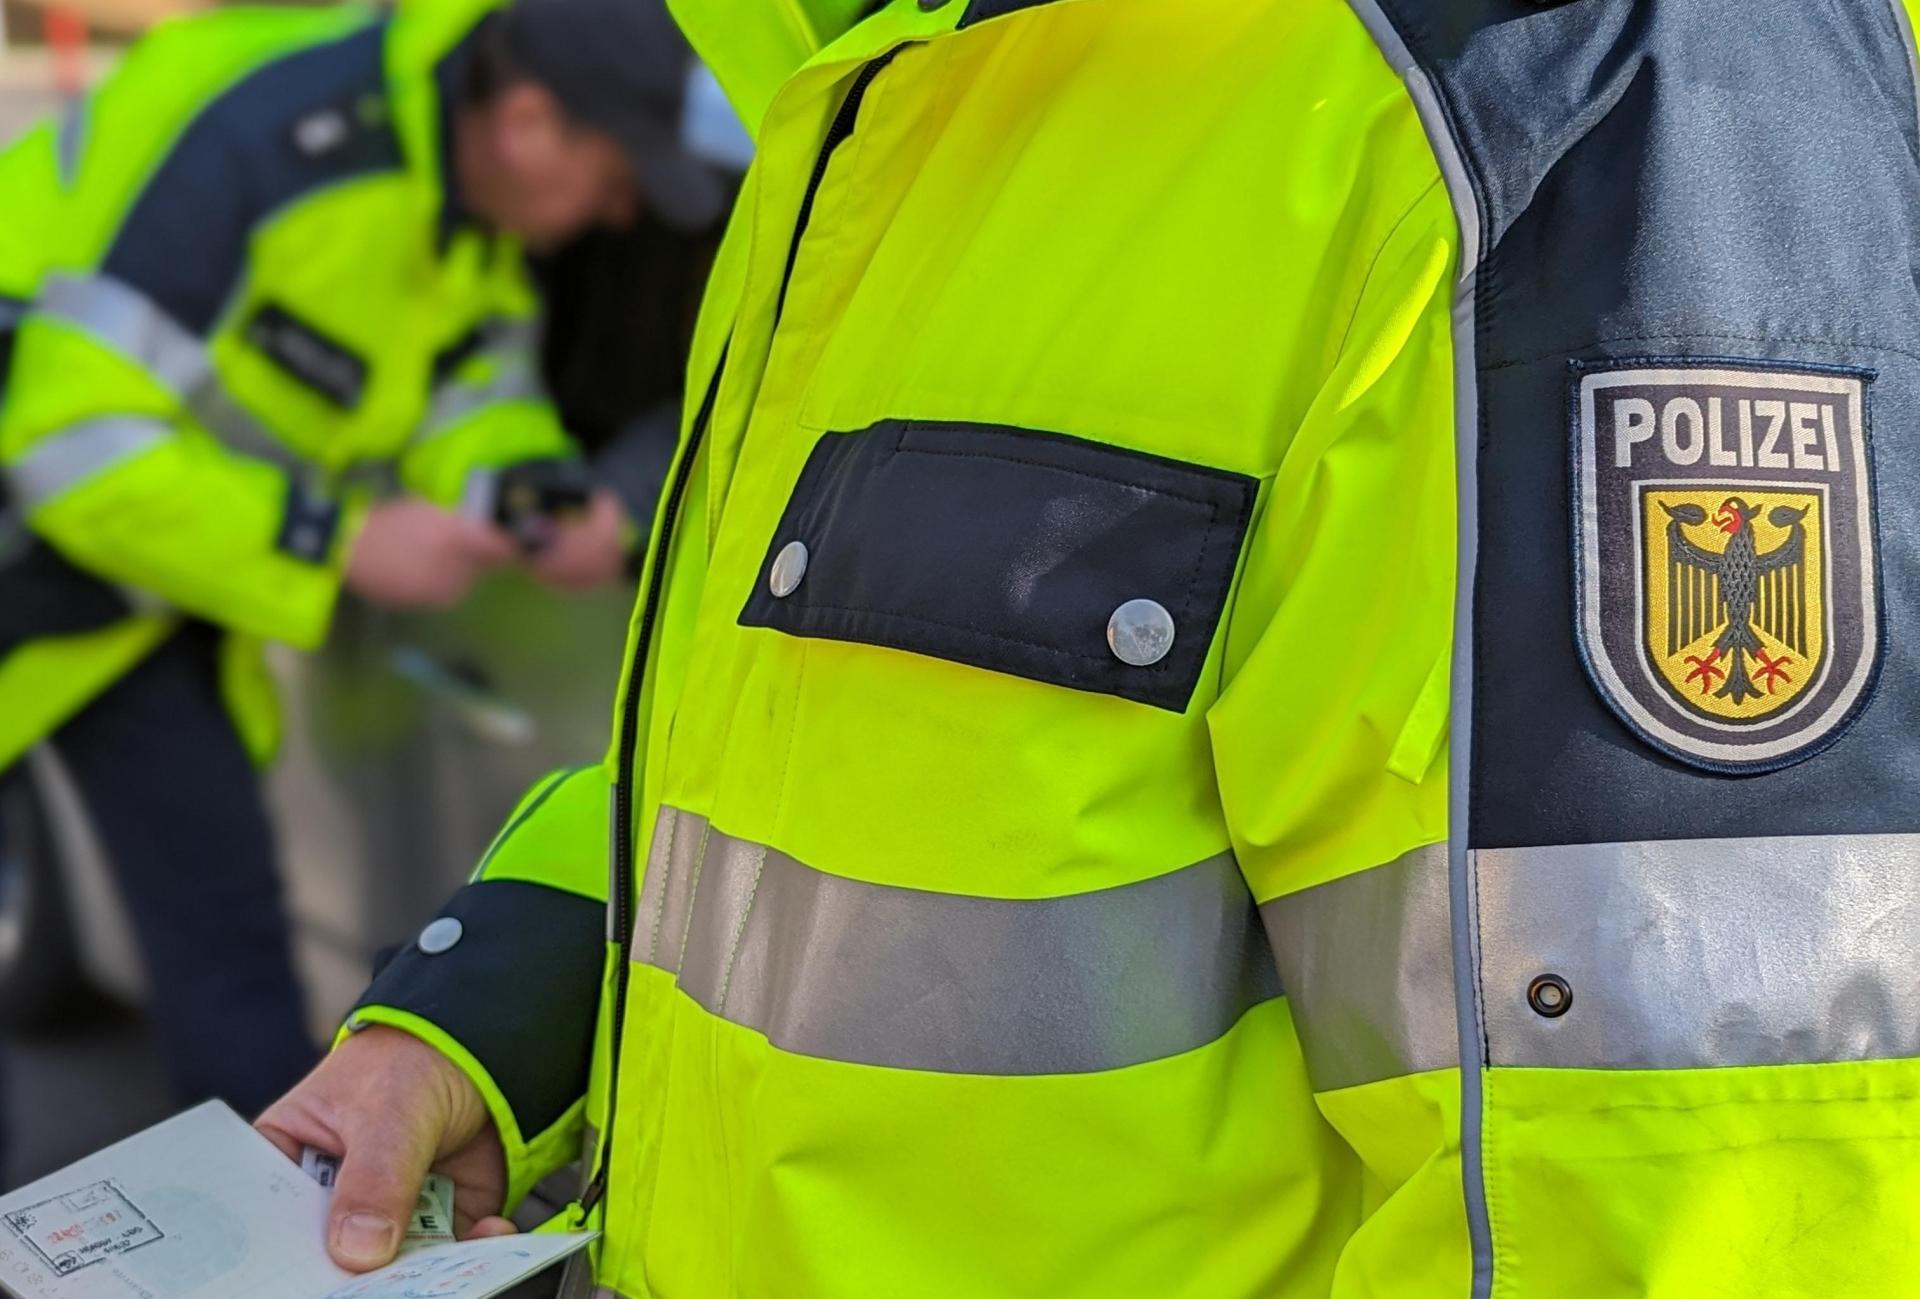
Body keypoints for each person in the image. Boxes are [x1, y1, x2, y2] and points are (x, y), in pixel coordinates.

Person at [259, 0, 1920, 1294]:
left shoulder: (1559, 89)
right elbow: (799, 778)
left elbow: (1683, 1170)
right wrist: (476, 1015)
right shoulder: (891, 84)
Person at [0, 0, 722, 1119]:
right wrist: (340, 547)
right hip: (46, 559)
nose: (621, 211)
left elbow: (468, 393)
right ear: (531, 120)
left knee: (235, 990)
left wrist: (542, 504)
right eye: (617, 171)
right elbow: (65, 444)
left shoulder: (465, 200)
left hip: (125, 607)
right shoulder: (273, 142)